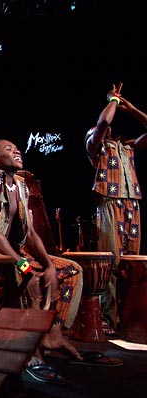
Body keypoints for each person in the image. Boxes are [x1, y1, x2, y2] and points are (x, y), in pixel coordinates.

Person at [0, 139, 84, 374]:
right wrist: (24, 266)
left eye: (16, 148)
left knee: (72, 270)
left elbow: (29, 232)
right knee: (19, 275)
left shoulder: (20, 185)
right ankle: (25, 347)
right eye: (8, 149)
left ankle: (53, 334)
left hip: (13, 253)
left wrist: (48, 264)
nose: (17, 150)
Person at [85, 84, 147, 334]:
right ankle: (108, 318)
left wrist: (129, 108)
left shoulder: (127, 147)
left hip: (132, 203)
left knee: (130, 264)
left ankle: (129, 316)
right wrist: (113, 100)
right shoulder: (95, 146)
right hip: (110, 202)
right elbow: (102, 123)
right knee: (111, 263)